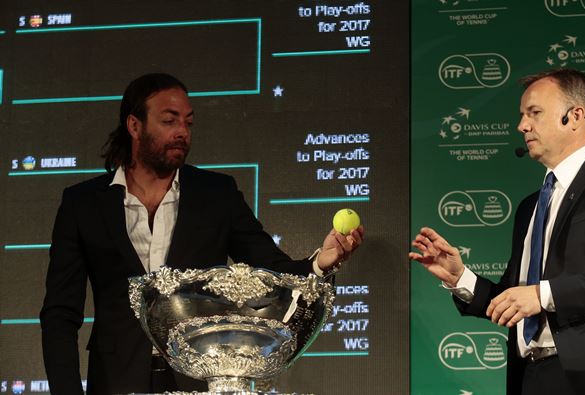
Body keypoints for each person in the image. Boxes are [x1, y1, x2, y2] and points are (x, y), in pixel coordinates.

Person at [40, 73, 364, 395]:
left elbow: (272, 270)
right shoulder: (82, 203)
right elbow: (60, 314)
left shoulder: (216, 193)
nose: (182, 132)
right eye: (170, 121)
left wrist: (321, 262)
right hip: (116, 380)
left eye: (188, 123)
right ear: (134, 126)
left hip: (203, 381)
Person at [410, 68, 585, 395]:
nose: (522, 126)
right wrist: (459, 277)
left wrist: (541, 295)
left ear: (574, 117)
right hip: (529, 378)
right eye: (522, 115)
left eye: (534, 113)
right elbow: (512, 297)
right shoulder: (530, 207)